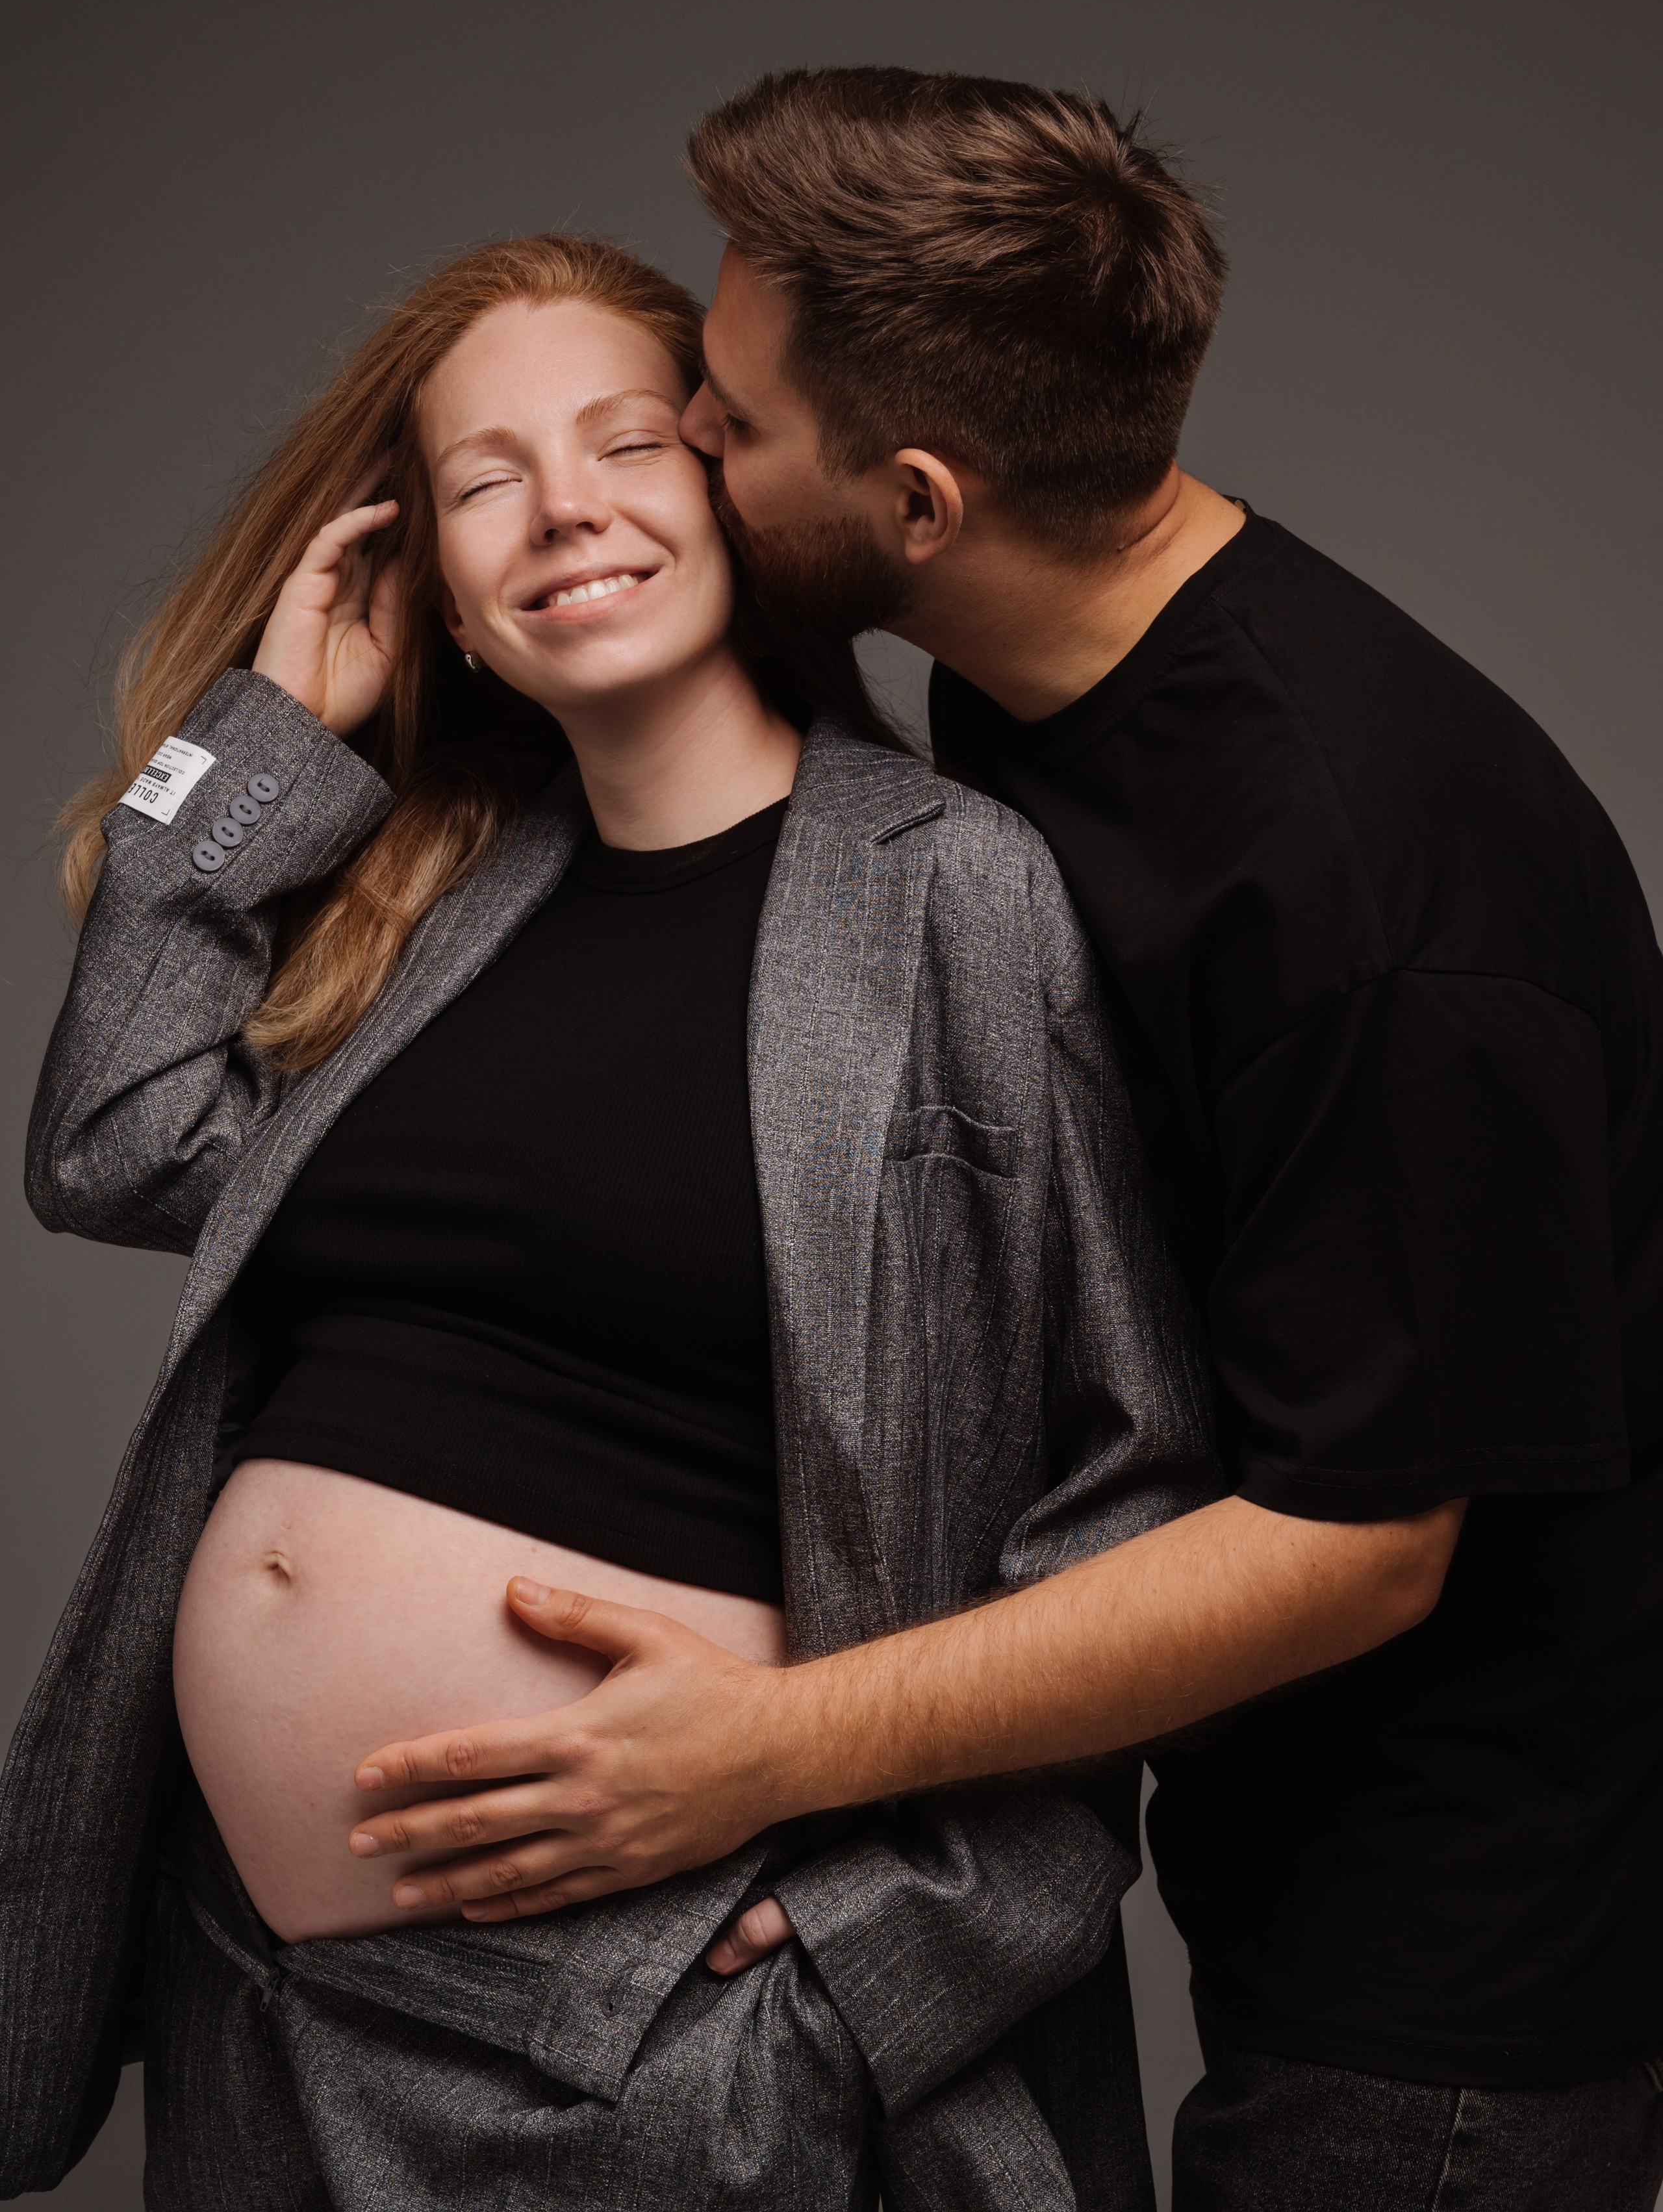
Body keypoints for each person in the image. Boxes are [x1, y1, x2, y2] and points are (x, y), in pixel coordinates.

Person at [361, 74, 1663, 2212]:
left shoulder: (1369, 883)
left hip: (1457, 1963)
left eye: (735, 423)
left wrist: (763, 1746)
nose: (689, 436)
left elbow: (1367, 1536)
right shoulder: (1020, 681)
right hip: (1239, 1846)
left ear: (923, 498)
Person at [5, 229, 1215, 2209]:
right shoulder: (428, 904)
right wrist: (259, 747)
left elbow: (1137, 1481)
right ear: (444, 598)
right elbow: (116, 1140)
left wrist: (871, 1956)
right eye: (486, 478)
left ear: (734, 487)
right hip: (262, 2003)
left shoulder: (951, 897)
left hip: (653, 2032)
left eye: (627, 442)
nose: (564, 504)